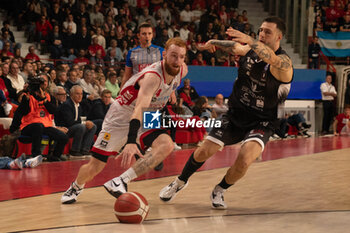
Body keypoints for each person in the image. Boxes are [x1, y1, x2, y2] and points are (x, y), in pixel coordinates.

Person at [159, 16, 293, 209]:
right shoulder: (250, 49)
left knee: (245, 159)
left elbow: (271, 58)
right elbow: (236, 48)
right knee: (205, 150)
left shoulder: (284, 64)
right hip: (236, 114)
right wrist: (212, 43)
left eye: (268, 32)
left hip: (263, 121)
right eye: (261, 30)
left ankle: (220, 189)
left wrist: (250, 40)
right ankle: (180, 181)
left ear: (279, 37)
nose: (262, 34)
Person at [61, 38, 188, 204]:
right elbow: (138, 109)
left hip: (150, 112)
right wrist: (130, 141)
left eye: (181, 56)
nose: (177, 61)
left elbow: (166, 89)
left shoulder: (182, 70)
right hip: (123, 113)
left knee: (167, 144)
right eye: (173, 56)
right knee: (96, 165)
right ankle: (76, 186)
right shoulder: (152, 77)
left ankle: (120, 181)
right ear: (164, 55)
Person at [9, 74, 69, 161]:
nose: (43, 83)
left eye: (45, 81)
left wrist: (43, 99)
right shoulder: (28, 95)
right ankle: (36, 155)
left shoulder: (49, 97)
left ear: (48, 84)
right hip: (28, 126)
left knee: (63, 137)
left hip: (45, 126)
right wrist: (26, 97)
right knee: (38, 126)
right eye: (41, 81)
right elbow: (23, 111)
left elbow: (54, 111)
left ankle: (55, 156)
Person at [55, 85, 97, 156]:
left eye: (81, 94)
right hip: (64, 128)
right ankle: (75, 150)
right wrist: (84, 123)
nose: (80, 96)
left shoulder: (78, 105)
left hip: (73, 127)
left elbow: (79, 119)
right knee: (81, 127)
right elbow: (69, 122)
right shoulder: (67, 105)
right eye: (77, 94)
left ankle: (85, 149)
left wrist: (86, 122)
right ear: (71, 94)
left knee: (93, 126)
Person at [120, 23, 164, 88]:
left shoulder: (161, 51)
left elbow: (167, 74)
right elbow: (127, 76)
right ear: (138, 35)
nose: (147, 36)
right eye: (144, 34)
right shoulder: (131, 52)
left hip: (157, 89)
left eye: (149, 33)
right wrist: (121, 91)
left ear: (152, 35)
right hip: (137, 90)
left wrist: (172, 92)